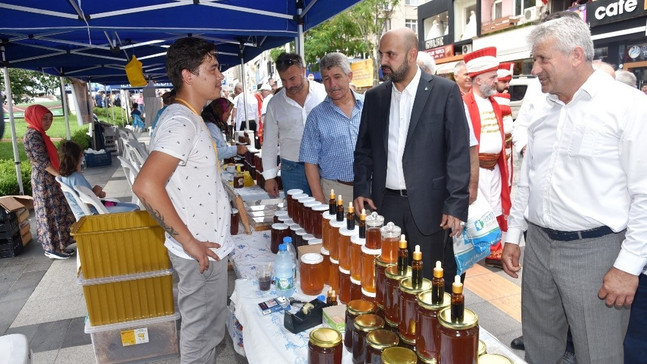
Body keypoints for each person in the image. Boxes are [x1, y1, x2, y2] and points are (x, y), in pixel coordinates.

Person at [501, 15, 647, 363]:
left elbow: (644, 193)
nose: (535, 69)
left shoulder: (628, 106)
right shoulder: (544, 110)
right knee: (540, 347)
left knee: (598, 353)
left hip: (595, 252)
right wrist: (513, 235)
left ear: (576, 55)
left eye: (542, 59)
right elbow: (529, 180)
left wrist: (628, 266)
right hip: (538, 246)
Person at [132, 37, 232, 364]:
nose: (220, 75)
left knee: (206, 333)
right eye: (213, 68)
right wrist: (189, 242)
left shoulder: (188, 116)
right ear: (188, 76)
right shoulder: (182, 121)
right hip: (199, 252)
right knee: (201, 338)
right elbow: (147, 185)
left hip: (204, 246)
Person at [353, 27, 471, 290]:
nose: (383, 61)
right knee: (389, 278)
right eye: (381, 54)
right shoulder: (375, 98)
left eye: (391, 54)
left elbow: (458, 153)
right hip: (386, 206)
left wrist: (455, 205)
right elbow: (364, 150)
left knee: (426, 283)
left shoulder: (444, 92)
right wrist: (361, 188)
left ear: (412, 55)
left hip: (430, 208)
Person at [462, 47, 510, 269]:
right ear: (478, 79)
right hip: (475, 168)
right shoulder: (463, 103)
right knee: (478, 208)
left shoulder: (496, 103)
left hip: (495, 168)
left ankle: (494, 249)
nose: (495, 81)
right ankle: (479, 246)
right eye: (492, 77)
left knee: (496, 205)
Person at [299, 52, 363, 203]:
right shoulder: (316, 116)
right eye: (326, 79)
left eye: (337, 77)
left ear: (350, 76)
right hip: (335, 193)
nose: (332, 84)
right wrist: (320, 200)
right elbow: (310, 162)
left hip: (370, 191)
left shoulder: (369, 106)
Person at [262, 52, 327, 197]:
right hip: (292, 169)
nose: (288, 85)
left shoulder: (323, 93)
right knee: (297, 215)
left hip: (325, 166)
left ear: (303, 70)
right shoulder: (274, 104)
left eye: (292, 78)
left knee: (327, 213)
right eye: (283, 80)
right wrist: (269, 177)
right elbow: (269, 143)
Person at [23, 105, 76, 260]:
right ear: (34, 117)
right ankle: (52, 248)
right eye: (44, 118)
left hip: (48, 178)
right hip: (44, 180)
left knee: (57, 211)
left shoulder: (39, 133)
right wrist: (60, 176)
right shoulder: (33, 135)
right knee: (49, 212)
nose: (48, 122)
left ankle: (59, 245)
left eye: (50, 118)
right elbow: (42, 161)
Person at [58, 141, 139, 217]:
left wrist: (96, 193)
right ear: (79, 156)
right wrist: (96, 192)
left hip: (88, 211)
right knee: (135, 209)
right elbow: (87, 203)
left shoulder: (64, 177)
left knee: (134, 206)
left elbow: (83, 195)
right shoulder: (76, 178)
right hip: (94, 214)